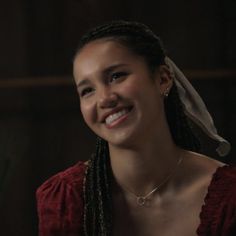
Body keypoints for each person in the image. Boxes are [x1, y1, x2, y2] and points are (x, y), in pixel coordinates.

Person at [36, 21, 236, 236]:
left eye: (116, 76)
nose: (105, 99)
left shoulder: (229, 198)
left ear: (163, 78)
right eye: (87, 90)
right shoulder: (66, 199)